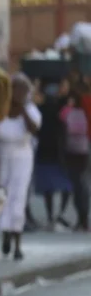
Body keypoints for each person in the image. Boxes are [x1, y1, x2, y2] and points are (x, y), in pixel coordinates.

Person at [0, 75, 42, 259]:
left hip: (22, 157)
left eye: (23, 90)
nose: (18, 93)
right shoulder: (0, 111)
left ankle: (17, 243)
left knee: (18, 197)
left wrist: (22, 110)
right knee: (2, 196)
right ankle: (4, 234)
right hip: (2, 157)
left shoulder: (30, 110)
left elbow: (34, 129)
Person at [33, 78, 72, 230]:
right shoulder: (56, 108)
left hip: (50, 151)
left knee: (54, 188)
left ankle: (54, 216)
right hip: (55, 151)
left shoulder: (45, 108)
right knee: (61, 187)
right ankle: (56, 216)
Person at [61, 83, 90, 231]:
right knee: (81, 185)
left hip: (74, 152)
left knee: (78, 186)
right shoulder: (82, 111)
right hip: (81, 151)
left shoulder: (68, 112)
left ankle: (82, 218)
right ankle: (82, 219)